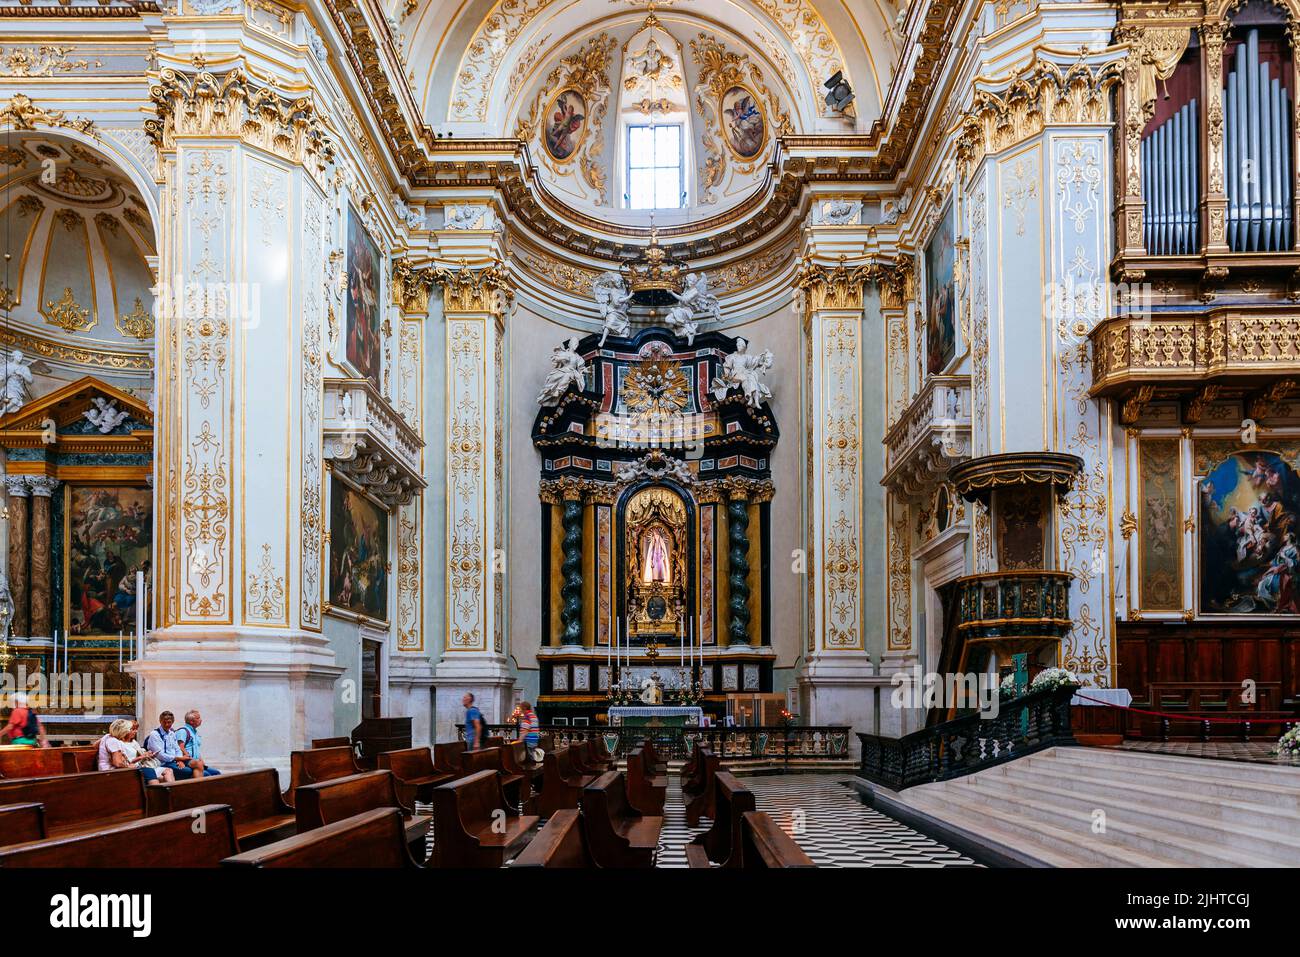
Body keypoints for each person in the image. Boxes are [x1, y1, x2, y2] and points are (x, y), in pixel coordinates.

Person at [143, 710, 204, 780]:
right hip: (163, 763)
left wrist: (180, 760)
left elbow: (177, 748)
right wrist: (178, 758)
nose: (166, 725)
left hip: (175, 761)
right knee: (188, 771)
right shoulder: (155, 734)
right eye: (164, 722)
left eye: (169, 723)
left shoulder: (171, 733)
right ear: (160, 721)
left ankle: (198, 788)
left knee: (198, 764)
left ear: (172, 722)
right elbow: (160, 755)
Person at [97, 719, 165, 779]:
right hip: (110, 773)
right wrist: (128, 767)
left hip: (108, 771)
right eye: (129, 729)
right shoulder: (114, 741)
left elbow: (95, 746)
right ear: (123, 730)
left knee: (151, 772)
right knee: (148, 772)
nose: (130, 732)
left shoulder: (108, 737)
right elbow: (117, 763)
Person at [173, 709, 220, 776]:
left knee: (216, 773)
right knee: (207, 775)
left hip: (196, 762)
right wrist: (188, 758)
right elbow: (180, 747)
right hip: (187, 761)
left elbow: (196, 749)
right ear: (191, 721)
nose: (201, 720)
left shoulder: (195, 732)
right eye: (198, 718)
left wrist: (201, 760)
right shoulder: (183, 731)